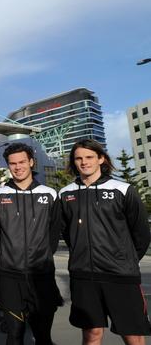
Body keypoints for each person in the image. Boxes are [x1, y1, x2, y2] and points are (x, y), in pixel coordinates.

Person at [58, 139, 151, 345]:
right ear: (74, 162)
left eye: (89, 157)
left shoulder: (123, 189)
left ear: (101, 159)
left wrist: (124, 260)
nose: (84, 162)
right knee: (91, 335)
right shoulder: (65, 194)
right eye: (79, 158)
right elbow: (67, 232)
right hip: (83, 277)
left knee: (133, 336)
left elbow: (142, 234)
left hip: (120, 276)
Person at [0, 142, 62, 345]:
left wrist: (42, 256)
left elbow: (53, 234)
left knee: (43, 337)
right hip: (9, 277)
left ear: (31, 162)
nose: (18, 167)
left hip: (41, 277)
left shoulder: (50, 194)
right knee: (14, 335)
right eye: (13, 163)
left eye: (22, 162)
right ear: (8, 166)